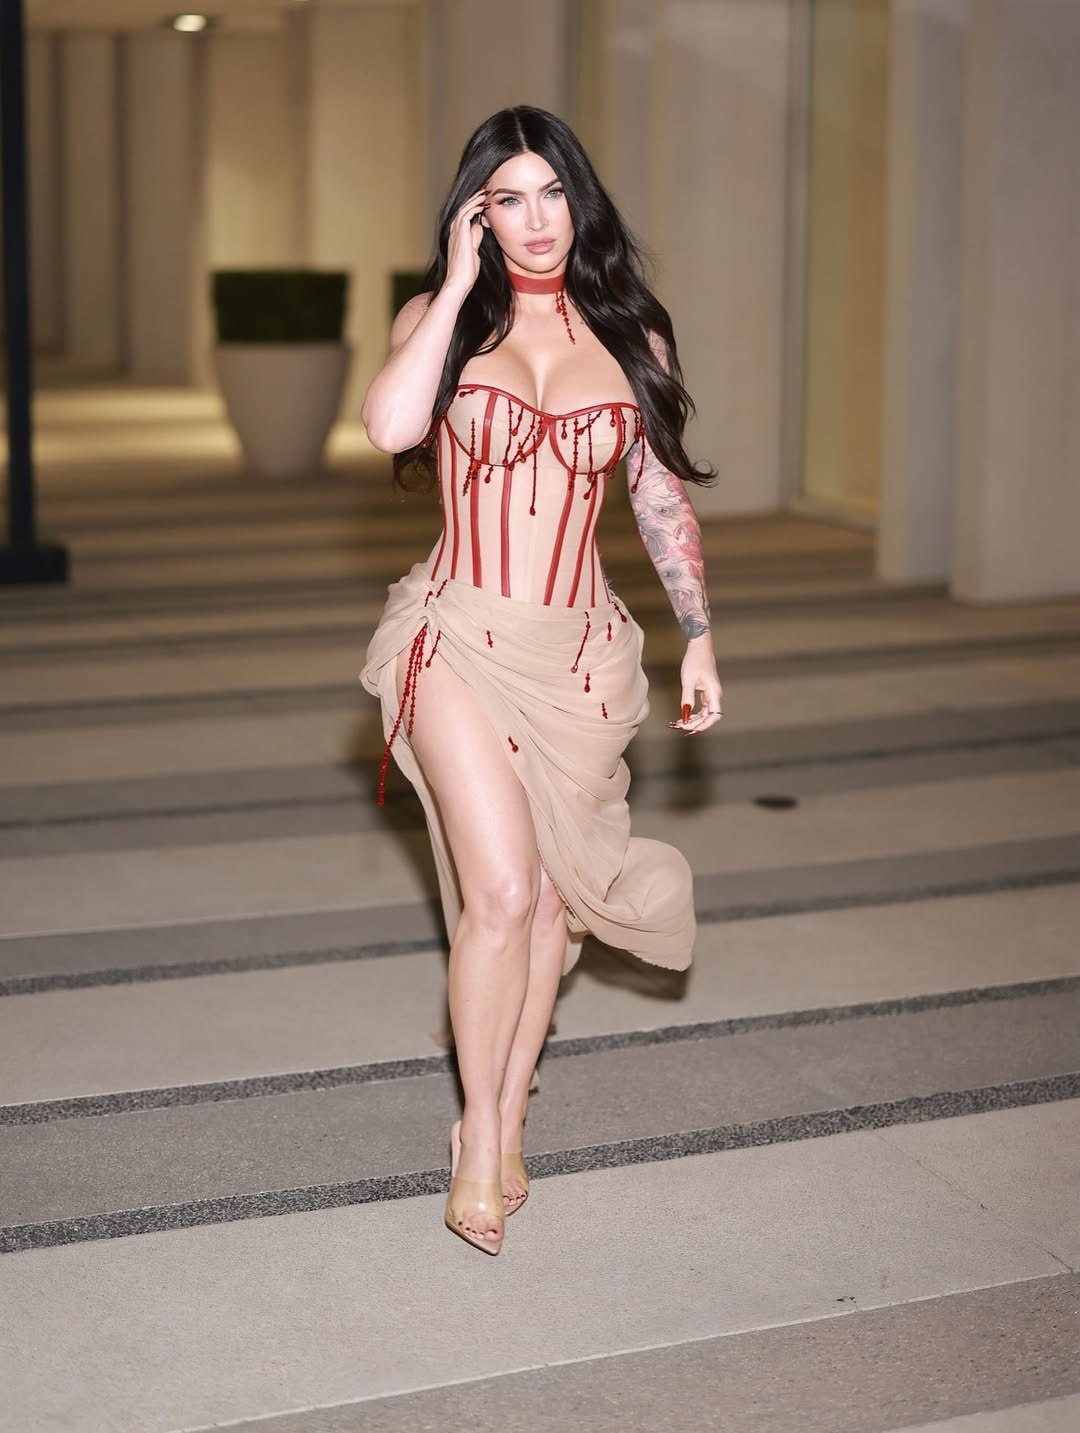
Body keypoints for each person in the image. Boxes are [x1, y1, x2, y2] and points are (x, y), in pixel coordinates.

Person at [359, 106, 723, 1255]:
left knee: (556, 904)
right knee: (506, 890)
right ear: (477, 213)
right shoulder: (442, 320)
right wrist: (456, 283)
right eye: (505, 199)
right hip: (455, 636)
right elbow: (389, 427)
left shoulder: (632, 332)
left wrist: (698, 632)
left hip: (580, 655)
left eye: (551, 193)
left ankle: (511, 1114)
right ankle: (475, 1134)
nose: (534, 220)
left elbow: (657, 492)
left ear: (581, 200)